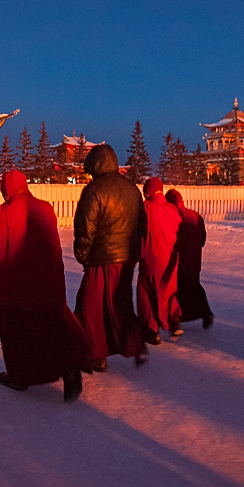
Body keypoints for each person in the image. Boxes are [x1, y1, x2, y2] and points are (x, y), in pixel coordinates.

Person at [0, 170, 89, 402]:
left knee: (15, 330)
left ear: (6, 189)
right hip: (49, 282)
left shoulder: (5, 214)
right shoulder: (45, 208)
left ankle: (20, 376)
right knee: (51, 326)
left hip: (20, 287)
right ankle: (68, 367)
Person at [73, 144, 149, 372]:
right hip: (126, 258)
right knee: (120, 303)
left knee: (91, 308)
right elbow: (141, 225)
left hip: (101, 259)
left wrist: (82, 254)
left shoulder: (94, 191)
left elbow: (86, 229)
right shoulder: (132, 189)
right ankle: (134, 344)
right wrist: (133, 252)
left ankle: (96, 354)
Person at [137, 177, 182, 342]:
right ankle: (175, 321)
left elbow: (139, 230)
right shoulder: (172, 209)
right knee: (169, 290)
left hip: (152, 256)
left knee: (146, 290)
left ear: (147, 192)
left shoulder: (147, 207)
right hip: (171, 257)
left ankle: (152, 329)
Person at [165, 189, 214, 329]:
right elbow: (203, 239)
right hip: (194, 260)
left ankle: (177, 318)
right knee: (194, 286)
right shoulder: (195, 216)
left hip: (180, 260)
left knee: (178, 289)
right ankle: (204, 312)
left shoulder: (174, 217)